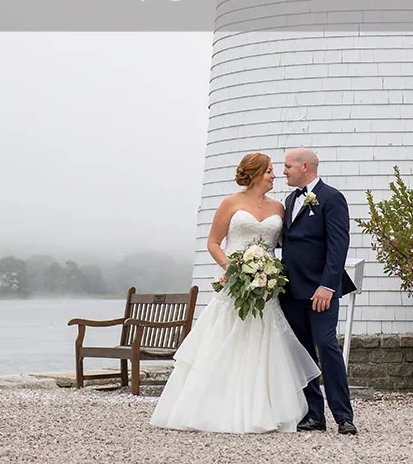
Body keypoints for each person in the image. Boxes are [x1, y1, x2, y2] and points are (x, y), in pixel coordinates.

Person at [150, 152, 321, 433]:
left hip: (266, 286)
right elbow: (214, 242)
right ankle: (215, 408)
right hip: (236, 283)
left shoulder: (279, 207)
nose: (274, 175)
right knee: (227, 340)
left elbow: (289, 245)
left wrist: (272, 271)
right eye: (268, 171)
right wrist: (233, 268)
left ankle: (263, 410)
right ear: (254, 174)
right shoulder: (230, 203)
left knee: (263, 342)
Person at [280, 147, 359, 435]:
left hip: (320, 291)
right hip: (290, 292)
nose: (283, 171)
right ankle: (314, 414)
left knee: (326, 346)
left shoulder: (332, 197)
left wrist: (327, 285)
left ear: (304, 166)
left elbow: (339, 246)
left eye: (287, 166)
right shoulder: (289, 200)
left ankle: (343, 416)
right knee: (301, 352)